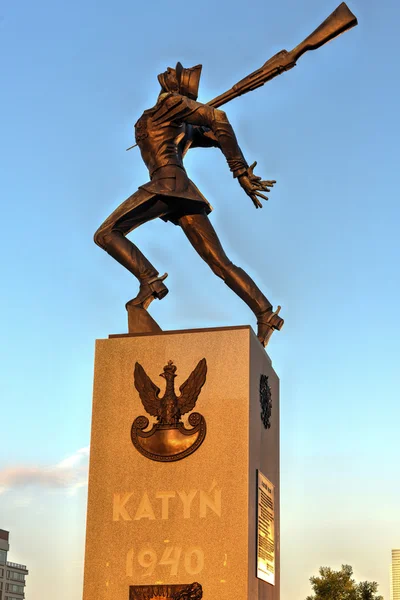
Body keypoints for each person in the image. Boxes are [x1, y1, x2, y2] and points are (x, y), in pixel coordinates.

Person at [94, 62, 283, 345]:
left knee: (106, 233)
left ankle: (149, 280)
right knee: (219, 263)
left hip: (166, 185)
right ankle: (265, 312)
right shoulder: (173, 115)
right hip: (180, 192)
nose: (170, 71)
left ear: (176, 88)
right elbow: (216, 130)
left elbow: (219, 120)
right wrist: (192, 123)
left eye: (175, 74)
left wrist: (240, 170)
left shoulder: (173, 104)